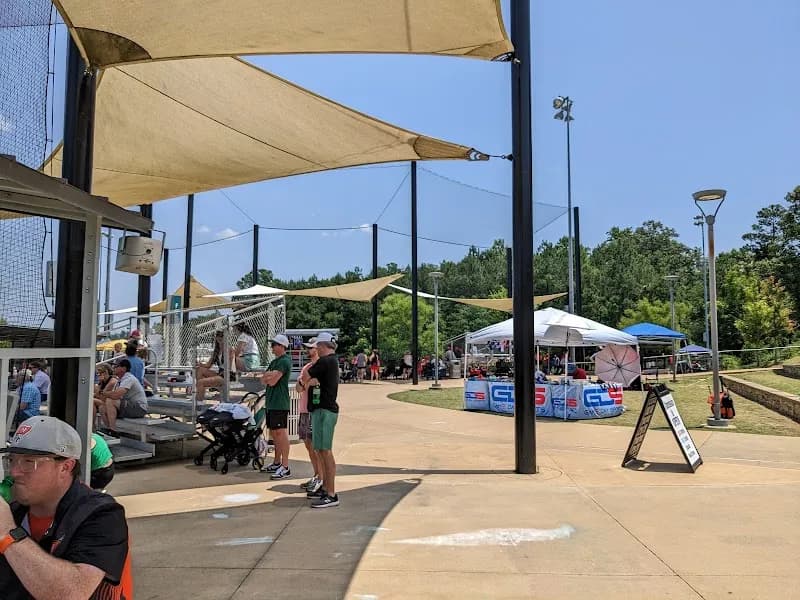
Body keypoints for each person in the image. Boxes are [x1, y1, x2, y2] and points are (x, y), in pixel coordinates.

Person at [0, 416, 132, 599]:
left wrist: (7, 533)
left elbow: (72, 593)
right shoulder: (15, 512)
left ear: (65, 467)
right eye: (12, 460)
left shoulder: (103, 515)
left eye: (29, 462)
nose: (14, 472)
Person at [299, 332, 340, 508]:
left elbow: (306, 377)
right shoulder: (330, 362)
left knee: (325, 451)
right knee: (320, 450)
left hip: (325, 410)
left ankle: (331, 494)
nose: (315, 349)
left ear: (322, 346)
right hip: (320, 410)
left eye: (316, 346)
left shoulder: (325, 361)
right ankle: (325, 488)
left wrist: (305, 381)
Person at [259, 334, 292, 479]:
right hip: (272, 402)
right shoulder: (274, 362)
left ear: (281, 346)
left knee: (281, 433)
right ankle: (277, 462)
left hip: (280, 402)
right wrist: (268, 375)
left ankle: (285, 466)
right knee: (274, 433)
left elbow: (272, 381)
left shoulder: (284, 361)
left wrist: (269, 376)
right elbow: (263, 379)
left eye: (274, 345)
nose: (272, 347)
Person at [294, 339, 323, 494]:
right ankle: (316, 474)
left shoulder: (321, 366)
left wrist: (305, 382)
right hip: (304, 410)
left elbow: (316, 382)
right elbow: (299, 387)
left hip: (315, 410)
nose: (307, 350)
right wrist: (305, 382)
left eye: (310, 348)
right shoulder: (306, 367)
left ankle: (321, 477)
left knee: (316, 445)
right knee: (307, 444)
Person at [97, 359, 148, 432]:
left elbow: (115, 395)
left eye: (116, 366)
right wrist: (101, 385)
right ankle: (108, 430)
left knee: (110, 401)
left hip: (139, 408)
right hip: (128, 406)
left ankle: (113, 430)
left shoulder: (129, 378)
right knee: (102, 407)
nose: (113, 368)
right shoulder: (120, 380)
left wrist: (102, 392)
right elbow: (102, 397)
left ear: (123, 369)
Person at [194, 331, 226, 402]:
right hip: (220, 374)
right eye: (217, 340)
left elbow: (232, 367)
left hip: (227, 375)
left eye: (221, 339)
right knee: (199, 369)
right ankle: (200, 391)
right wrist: (200, 364)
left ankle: (198, 400)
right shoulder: (217, 351)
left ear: (225, 338)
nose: (219, 341)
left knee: (200, 382)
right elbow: (208, 365)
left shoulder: (229, 350)